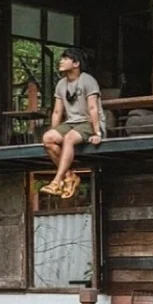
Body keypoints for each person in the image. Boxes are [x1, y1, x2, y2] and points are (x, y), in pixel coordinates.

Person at [41, 48, 103, 198]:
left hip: (88, 122)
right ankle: (70, 177)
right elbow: (57, 112)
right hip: (71, 123)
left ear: (76, 63)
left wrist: (97, 132)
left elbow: (93, 108)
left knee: (69, 138)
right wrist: (55, 132)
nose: (61, 61)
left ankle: (56, 181)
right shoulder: (61, 84)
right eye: (61, 58)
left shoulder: (88, 80)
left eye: (65, 59)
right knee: (47, 139)